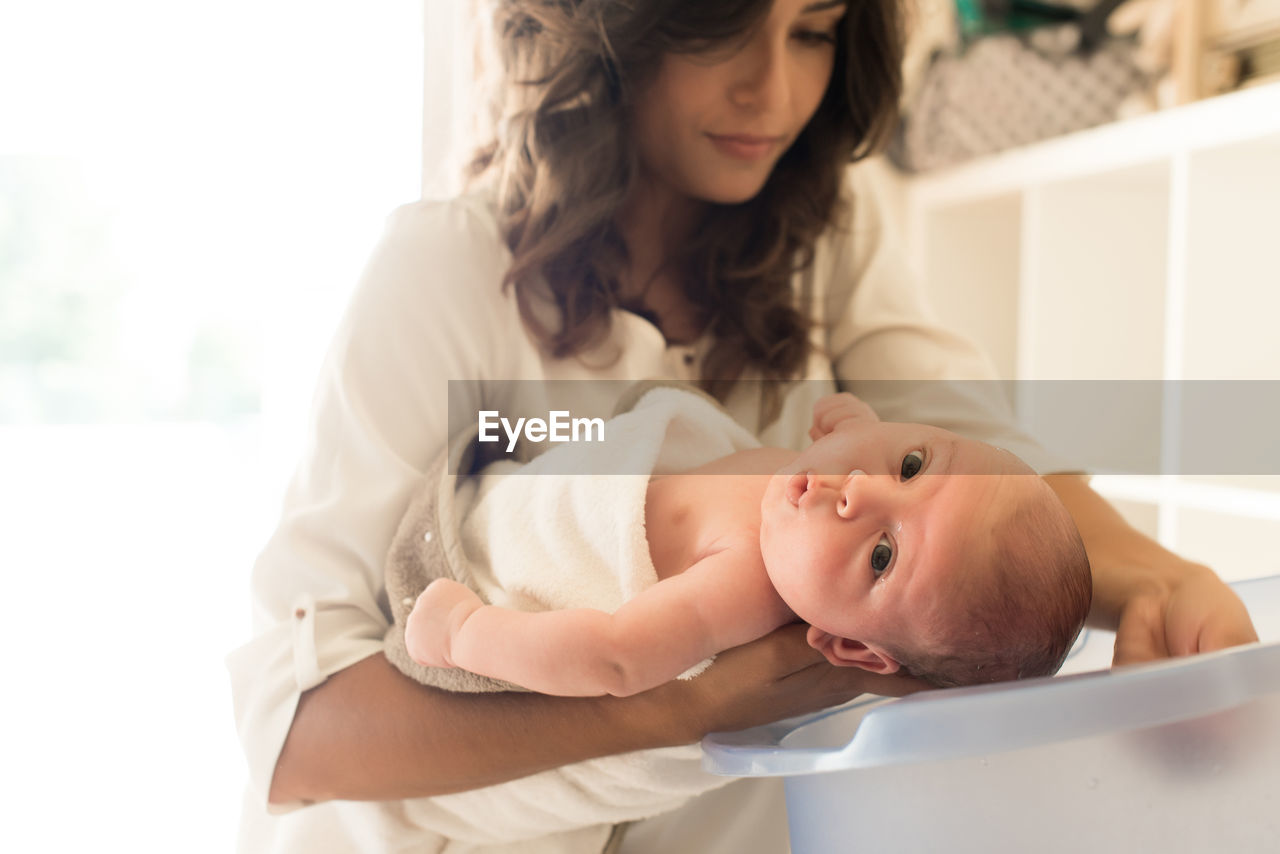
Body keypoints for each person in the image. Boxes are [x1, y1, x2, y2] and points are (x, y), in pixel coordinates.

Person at [227, 1, 1259, 852]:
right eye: (719, 26)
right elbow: (297, 736)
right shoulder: (444, 273)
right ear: (616, 27)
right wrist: (683, 707)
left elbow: (977, 457)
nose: (771, 92)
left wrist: (1162, 584)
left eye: (812, 30)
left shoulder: (828, 235)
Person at [405, 389, 1092, 695]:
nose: (861, 486)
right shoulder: (814, 499)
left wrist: (465, 633)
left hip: (472, 556)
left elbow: (613, 660)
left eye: (884, 555)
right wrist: (859, 424)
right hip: (526, 471)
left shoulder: (743, 587)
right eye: (911, 464)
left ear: (848, 646)